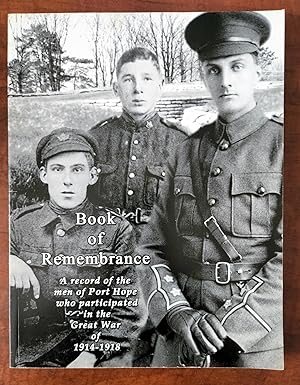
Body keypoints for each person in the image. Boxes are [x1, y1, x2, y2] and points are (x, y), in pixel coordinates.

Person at [136, 11, 283, 368]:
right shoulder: (184, 151)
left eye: (236, 66)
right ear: (203, 74)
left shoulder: (283, 147)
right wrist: (176, 312)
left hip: (253, 345)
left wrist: (228, 325)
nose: (225, 80)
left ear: (257, 70)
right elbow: (150, 248)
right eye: (213, 69)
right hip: (178, 341)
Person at [10, 128, 141, 367]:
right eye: (57, 169)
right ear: (43, 174)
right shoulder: (18, 225)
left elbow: (129, 308)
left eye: (77, 170)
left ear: (93, 176)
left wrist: (90, 355)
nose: (67, 180)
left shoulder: (117, 230)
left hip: (100, 351)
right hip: (32, 354)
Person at [88, 47, 187, 365]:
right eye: (128, 79)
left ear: (160, 84)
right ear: (115, 86)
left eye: (147, 78)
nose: (138, 87)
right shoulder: (93, 141)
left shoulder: (181, 144)